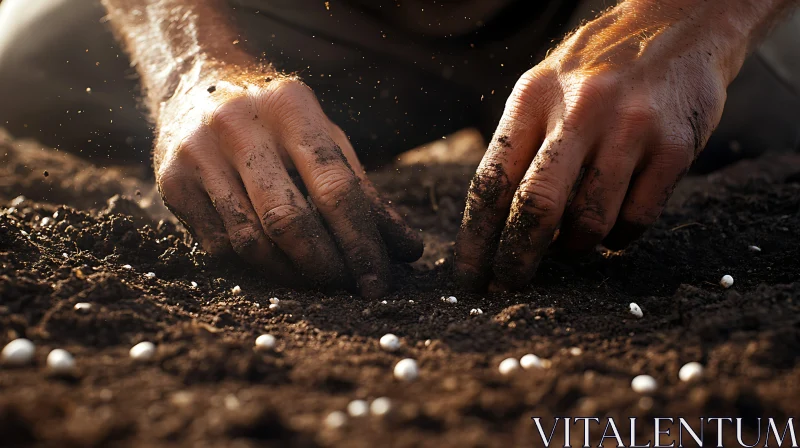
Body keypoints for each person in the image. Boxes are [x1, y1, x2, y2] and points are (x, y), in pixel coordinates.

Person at [0, 0, 797, 298]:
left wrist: (694, 24)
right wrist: (192, 67)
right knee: (29, 79)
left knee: (774, 128)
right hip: (329, 19)